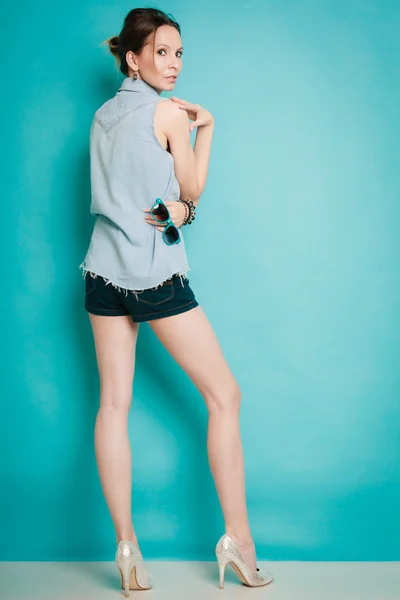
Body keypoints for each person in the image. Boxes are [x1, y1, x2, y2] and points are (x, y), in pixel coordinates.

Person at [79, 7, 274, 595]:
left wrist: (176, 211)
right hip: (154, 275)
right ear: (132, 58)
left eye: (179, 53)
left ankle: (127, 547)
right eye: (161, 52)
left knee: (113, 405)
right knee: (225, 396)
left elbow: (129, 195)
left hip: (100, 274)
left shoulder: (102, 115)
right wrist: (206, 129)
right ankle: (239, 542)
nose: (173, 64)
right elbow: (189, 192)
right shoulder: (168, 113)